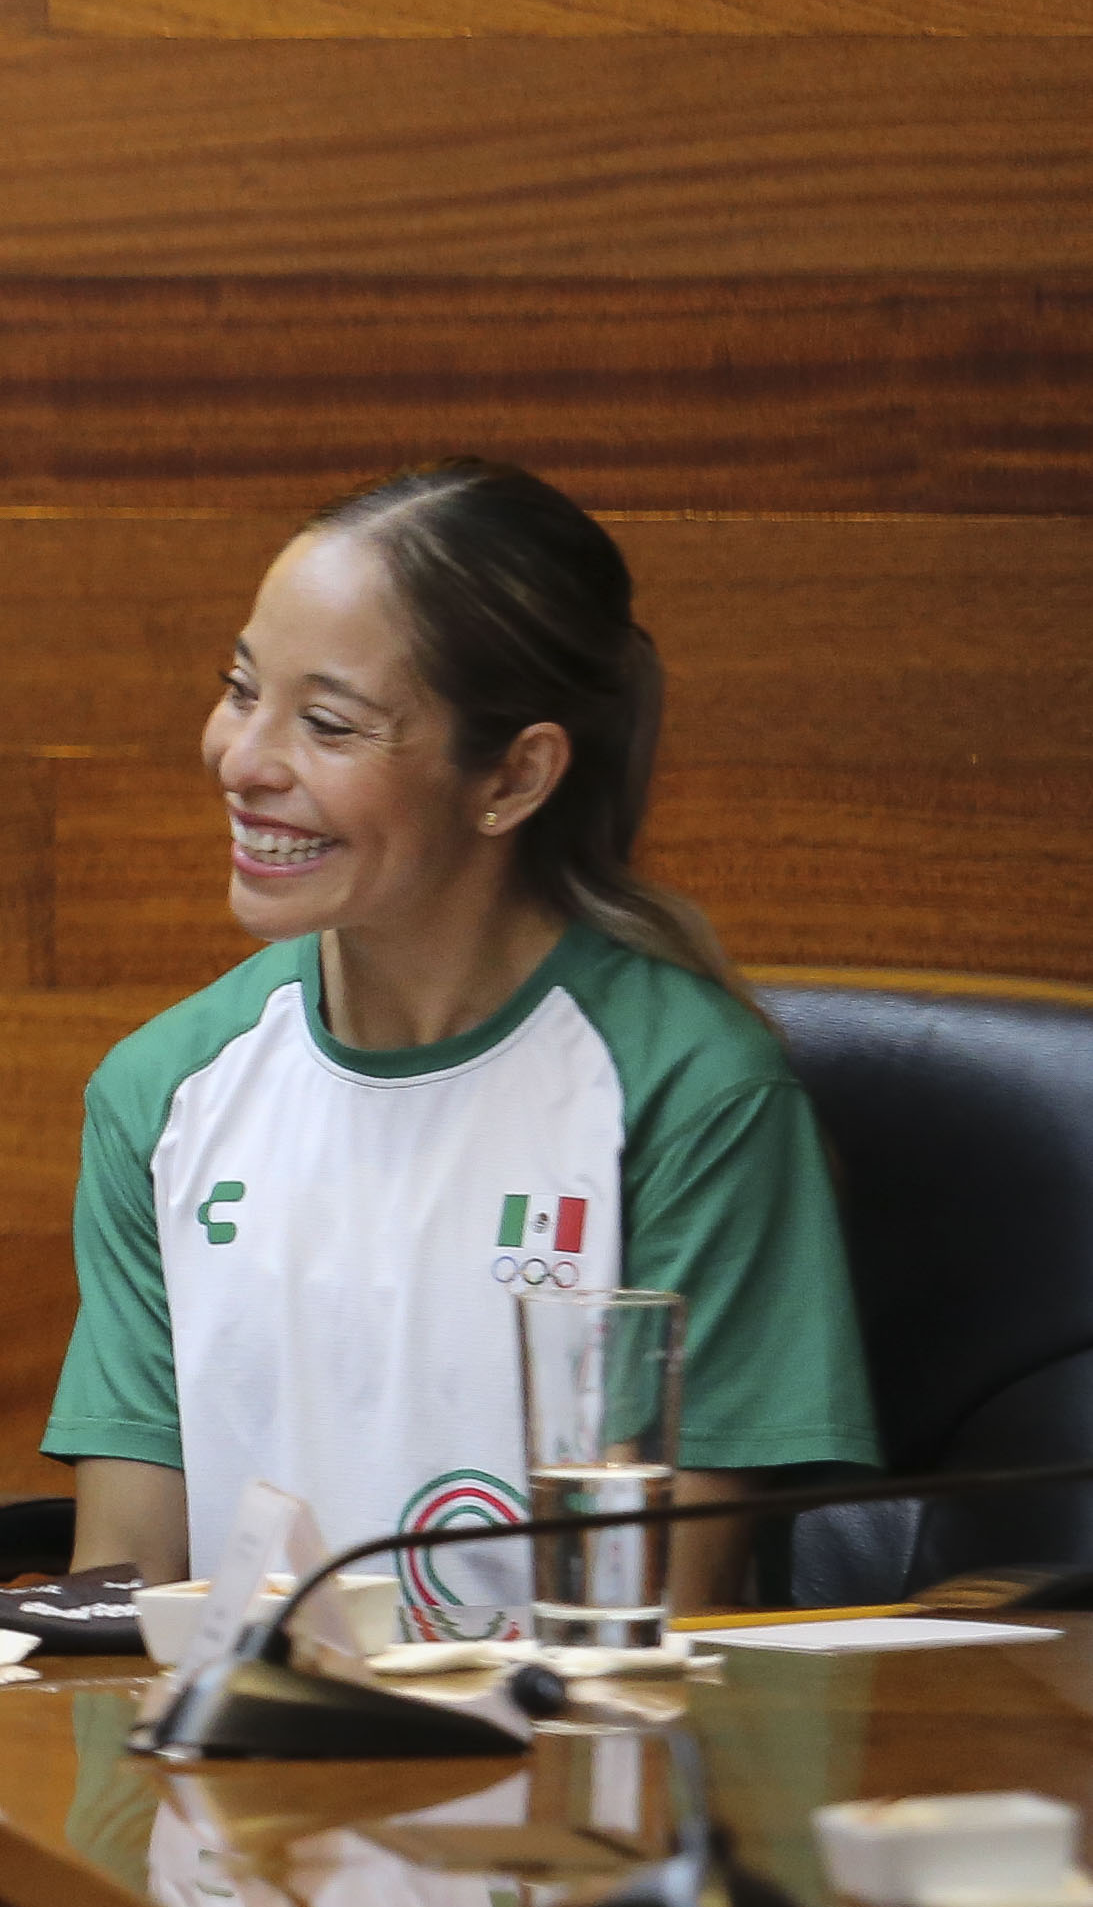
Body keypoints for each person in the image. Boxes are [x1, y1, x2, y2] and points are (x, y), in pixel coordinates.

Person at [45, 459, 873, 1625]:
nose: (242, 759)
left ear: (515, 775)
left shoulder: (691, 1094)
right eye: (242, 689)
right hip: (241, 1740)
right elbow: (121, 1594)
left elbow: (670, 1625)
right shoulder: (163, 1089)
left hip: (567, 1743)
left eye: (327, 723)